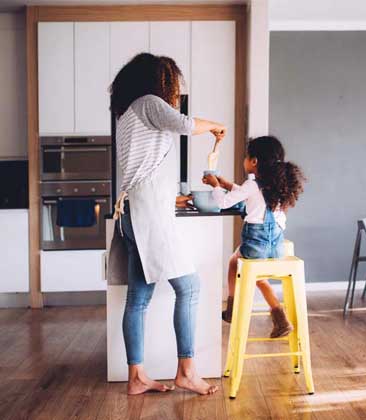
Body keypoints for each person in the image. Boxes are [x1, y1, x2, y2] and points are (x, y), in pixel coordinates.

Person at [109, 53, 225, 395]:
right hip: (147, 215)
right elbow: (186, 125)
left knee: (138, 299)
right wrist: (215, 126)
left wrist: (169, 199)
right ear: (160, 81)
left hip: (133, 211)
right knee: (188, 288)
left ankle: (136, 377)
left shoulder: (128, 114)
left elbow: (143, 169)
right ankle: (186, 371)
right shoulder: (148, 103)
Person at [203, 136, 306, 338]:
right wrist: (227, 184)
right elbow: (249, 195)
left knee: (234, 261)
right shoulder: (275, 186)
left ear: (254, 161)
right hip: (276, 247)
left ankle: (233, 309)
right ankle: (279, 317)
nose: (245, 160)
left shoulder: (252, 185)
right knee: (260, 278)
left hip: (256, 245)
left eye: (246, 156)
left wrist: (216, 186)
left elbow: (223, 203)